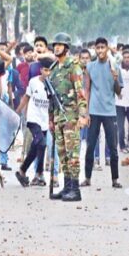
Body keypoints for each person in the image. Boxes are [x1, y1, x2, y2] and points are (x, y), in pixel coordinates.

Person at [48, 32, 88, 202]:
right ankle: (66, 187)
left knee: (73, 155)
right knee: (62, 154)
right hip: (58, 117)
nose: (56, 47)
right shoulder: (53, 69)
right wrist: (50, 119)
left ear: (66, 47)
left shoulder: (73, 66)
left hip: (71, 116)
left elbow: (81, 92)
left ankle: (75, 189)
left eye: (60, 45)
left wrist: (83, 115)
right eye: (55, 45)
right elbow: (50, 97)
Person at [83, 38, 122, 188]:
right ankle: (87, 178)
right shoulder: (90, 67)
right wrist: (86, 113)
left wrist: (116, 79)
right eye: (97, 48)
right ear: (95, 49)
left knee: (112, 147)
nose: (100, 50)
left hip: (110, 112)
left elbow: (119, 93)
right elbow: (87, 90)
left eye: (102, 48)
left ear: (107, 49)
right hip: (93, 111)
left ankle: (115, 179)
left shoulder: (114, 66)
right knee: (90, 145)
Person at [15, 57, 55, 187]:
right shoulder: (33, 82)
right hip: (33, 119)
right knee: (42, 144)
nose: (47, 73)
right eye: (45, 70)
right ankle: (39, 173)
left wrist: (51, 120)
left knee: (35, 147)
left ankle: (22, 171)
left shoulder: (52, 85)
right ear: (41, 70)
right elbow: (26, 98)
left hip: (44, 120)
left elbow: (52, 105)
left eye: (50, 71)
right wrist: (17, 112)